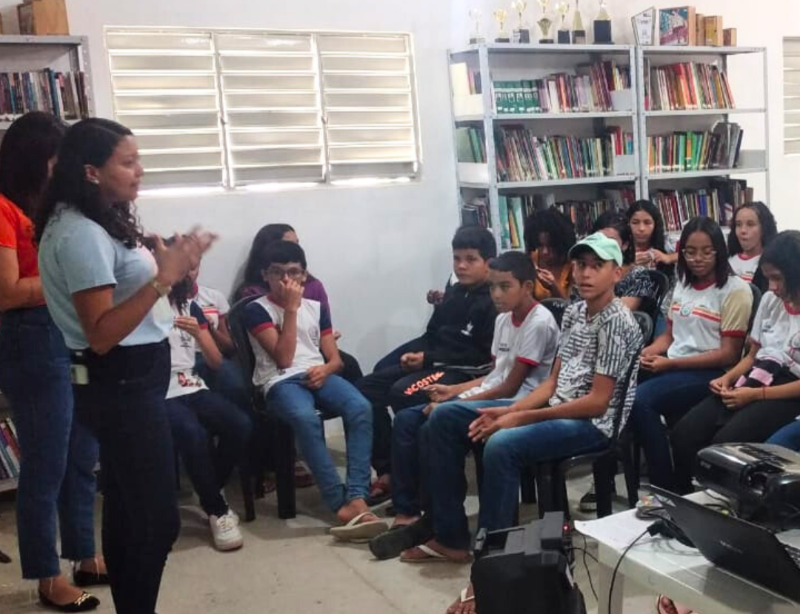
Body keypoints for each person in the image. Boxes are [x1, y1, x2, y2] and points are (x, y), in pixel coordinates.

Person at [36, 118, 215, 614]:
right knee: (157, 521)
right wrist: (162, 278)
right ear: (91, 171)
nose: (139, 170)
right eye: (128, 161)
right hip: (120, 384)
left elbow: (130, 292)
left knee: (129, 507)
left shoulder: (101, 217)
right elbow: (102, 333)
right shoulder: (79, 233)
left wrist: (173, 268)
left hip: (133, 380)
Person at [422, 233, 643, 614]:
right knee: (446, 416)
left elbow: (596, 402)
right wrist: (510, 410)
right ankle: (452, 535)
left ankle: (490, 572)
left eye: (597, 266)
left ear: (616, 272)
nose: (586, 274)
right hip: (556, 405)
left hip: (593, 424)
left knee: (502, 445)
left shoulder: (619, 323)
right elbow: (554, 383)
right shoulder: (574, 312)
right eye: (580, 265)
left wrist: (518, 416)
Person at [368, 251, 560, 560]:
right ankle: (412, 516)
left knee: (439, 420)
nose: (496, 294)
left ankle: (450, 535)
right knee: (406, 419)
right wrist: (453, 389)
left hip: (516, 402)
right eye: (493, 287)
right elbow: (494, 374)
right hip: (491, 392)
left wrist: (459, 400)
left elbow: (511, 386)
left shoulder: (539, 322)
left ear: (527, 286)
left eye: (505, 287)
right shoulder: (503, 320)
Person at [0, 112, 104, 612]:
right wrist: (67, 282)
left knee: (81, 452)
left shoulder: (50, 210)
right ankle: (46, 575)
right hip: (30, 340)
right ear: (34, 160)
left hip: (64, 334)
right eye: (55, 158)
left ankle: (84, 553)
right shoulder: (1, 209)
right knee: (45, 464)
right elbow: (7, 292)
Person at [243, 240, 386, 541]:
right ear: (264, 275)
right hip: (279, 381)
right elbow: (283, 358)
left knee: (360, 406)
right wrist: (291, 311)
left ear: (304, 276)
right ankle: (340, 503)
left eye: (293, 272)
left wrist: (326, 369)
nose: (286, 280)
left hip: (316, 373)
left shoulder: (316, 307)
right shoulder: (256, 310)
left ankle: (358, 496)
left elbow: (333, 358)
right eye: (277, 273)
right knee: (306, 419)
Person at [356, 225, 498, 504]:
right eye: (457, 258)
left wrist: (427, 359)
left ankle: (420, 481)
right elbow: (432, 335)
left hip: (462, 371)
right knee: (364, 389)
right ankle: (388, 469)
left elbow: (480, 355)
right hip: (435, 358)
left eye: (470, 259)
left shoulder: (493, 301)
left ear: (488, 263)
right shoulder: (456, 293)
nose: (461, 266)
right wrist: (417, 353)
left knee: (402, 393)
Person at [671, 230, 800, 493]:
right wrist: (727, 379)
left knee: (726, 444)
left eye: (778, 279)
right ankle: (685, 502)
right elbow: (752, 355)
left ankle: (722, 509)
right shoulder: (768, 301)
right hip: (756, 375)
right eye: (768, 278)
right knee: (685, 432)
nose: (772, 287)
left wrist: (755, 395)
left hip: (787, 391)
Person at [629, 217, 752, 492]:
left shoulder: (735, 290)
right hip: (675, 363)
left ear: (719, 251)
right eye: (690, 251)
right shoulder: (683, 284)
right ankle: (625, 472)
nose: (698, 259)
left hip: (710, 371)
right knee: (621, 384)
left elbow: (728, 354)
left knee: (642, 401)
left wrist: (670, 364)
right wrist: (645, 354)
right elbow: (669, 336)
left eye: (706, 251)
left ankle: (667, 485)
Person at [164, 264, 252, 551]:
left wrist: (201, 334)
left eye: (192, 269)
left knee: (240, 424)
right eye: (181, 269)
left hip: (192, 385)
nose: (188, 275)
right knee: (193, 434)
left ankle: (209, 490)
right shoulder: (143, 305)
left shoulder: (190, 306)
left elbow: (215, 361)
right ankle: (217, 509)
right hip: (160, 391)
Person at [577, 211, 659, 512]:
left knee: (641, 401)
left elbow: (614, 313)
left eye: (607, 248)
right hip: (586, 368)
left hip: (624, 364)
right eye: (583, 264)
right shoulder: (580, 303)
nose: (588, 271)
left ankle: (654, 485)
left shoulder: (634, 280)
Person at [627, 200, 678, 337]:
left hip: (660, 305)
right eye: (635, 222)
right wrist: (629, 264)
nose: (641, 228)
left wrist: (668, 258)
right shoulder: (622, 246)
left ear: (656, 224)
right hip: (629, 304)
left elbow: (689, 253)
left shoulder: (666, 244)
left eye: (647, 223)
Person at [522, 207, 576, 300]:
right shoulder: (530, 262)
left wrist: (553, 287)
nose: (545, 252)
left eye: (551, 246)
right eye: (540, 245)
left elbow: (575, 308)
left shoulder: (574, 265)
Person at [727, 202, 777, 291]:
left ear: (764, 228)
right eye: (738, 224)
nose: (743, 230)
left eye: (750, 224)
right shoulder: (727, 261)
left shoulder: (771, 263)